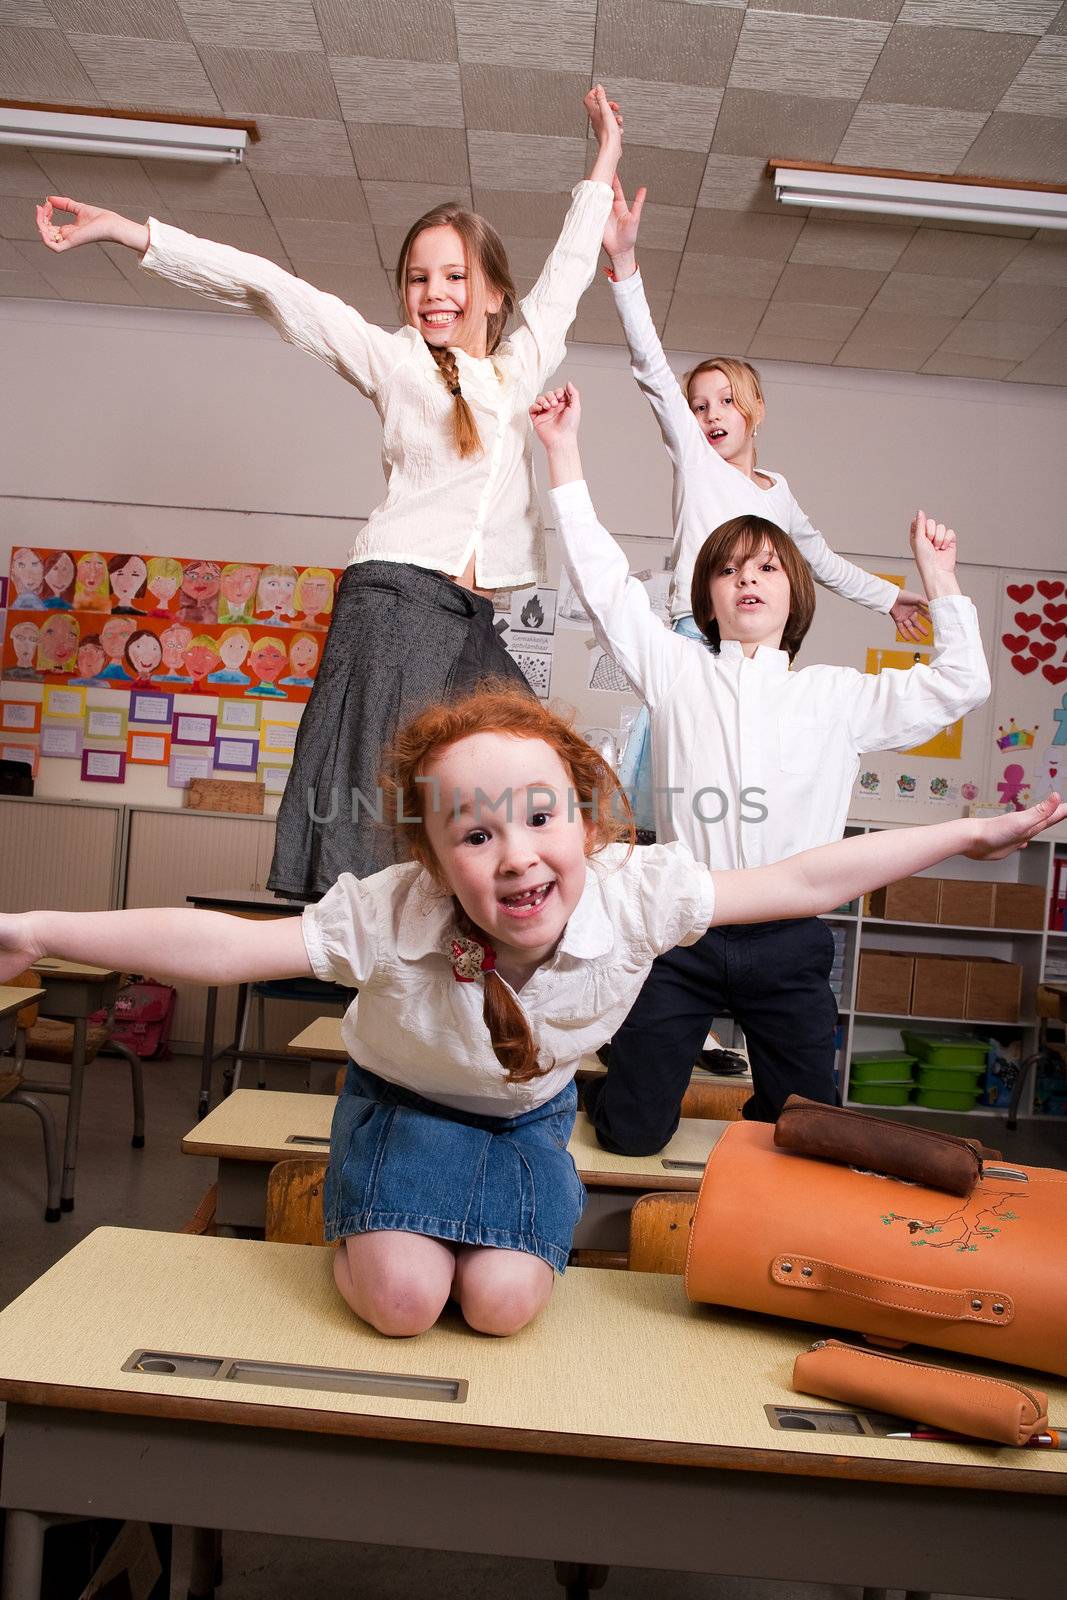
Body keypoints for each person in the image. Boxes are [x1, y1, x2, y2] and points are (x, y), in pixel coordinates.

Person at [1, 686, 1059, 1335]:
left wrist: (960, 836)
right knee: (408, 1303)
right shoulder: (397, 908)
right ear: (432, 854)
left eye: (540, 816)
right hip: (401, 1105)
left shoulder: (636, 890)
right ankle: (353, 1208)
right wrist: (44, 926)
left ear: (584, 818)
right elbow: (228, 946)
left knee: (503, 1307)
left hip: (528, 1121)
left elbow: (801, 877)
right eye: (473, 834)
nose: (515, 854)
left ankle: (436, 1232)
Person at [35, 87, 624, 898]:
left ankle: (476, 946)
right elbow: (272, 287)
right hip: (396, 602)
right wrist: (129, 233)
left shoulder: (518, 368)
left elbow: (564, 275)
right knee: (383, 818)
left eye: (455, 274)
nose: (433, 292)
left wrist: (603, 160)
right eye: (417, 278)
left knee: (540, 775)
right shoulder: (394, 362)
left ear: (492, 290)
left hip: (464, 619)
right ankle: (376, 962)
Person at [531, 382, 991, 1148]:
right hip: (681, 929)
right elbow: (604, 585)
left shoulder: (837, 696)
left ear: (795, 597)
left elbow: (959, 684)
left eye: (767, 568)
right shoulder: (676, 669)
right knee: (632, 1132)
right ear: (705, 600)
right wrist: (562, 452)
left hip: (788, 941)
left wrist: (939, 581)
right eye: (729, 570)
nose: (747, 579)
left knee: (805, 1131)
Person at [600, 180, 929, 829]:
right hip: (697, 640)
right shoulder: (695, 462)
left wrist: (888, 598)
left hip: (761, 653)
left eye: (725, 401)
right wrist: (625, 267)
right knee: (672, 794)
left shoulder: (776, 495)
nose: (711, 414)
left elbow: (822, 561)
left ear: (755, 411)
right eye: (699, 406)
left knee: (741, 791)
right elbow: (649, 364)